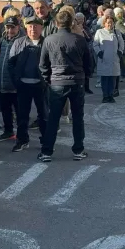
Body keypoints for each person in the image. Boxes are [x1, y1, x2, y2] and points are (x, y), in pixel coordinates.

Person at [39, 10, 92, 163]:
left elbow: (43, 65)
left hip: (57, 82)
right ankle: (78, 149)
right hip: (76, 82)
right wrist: (84, 76)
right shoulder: (79, 40)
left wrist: (48, 79)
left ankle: (47, 151)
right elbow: (89, 63)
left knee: (53, 118)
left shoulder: (49, 40)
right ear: (72, 23)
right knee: (77, 117)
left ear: (56, 23)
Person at [8, 16, 48, 152]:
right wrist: (16, 81)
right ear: (26, 28)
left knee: (44, 115)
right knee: (22, 115)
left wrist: (48, 81)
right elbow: (10, 63)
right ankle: (22, 140)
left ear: (41, 28)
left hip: (41, 85)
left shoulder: (47, 43)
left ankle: (46, 141)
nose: (33, 29)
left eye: (36, 26)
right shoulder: (19, 42)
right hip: (23, 85)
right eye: (30, 26)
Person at [0, 16, 22, 142]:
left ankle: (22, 134)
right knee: (5, 110)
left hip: (16, 85)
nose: (10, 30)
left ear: (18, 27)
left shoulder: (22, 41)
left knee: (20, 111)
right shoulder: (2, 40)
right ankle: (8, 131)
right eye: (8, 27)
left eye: (13, 27)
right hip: (2, 83)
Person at [94, 15, 125, 103]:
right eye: (108, 23)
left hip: (114, 59)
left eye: (111, 22)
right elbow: (95, 44)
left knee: (112, 79)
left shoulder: (116, 32)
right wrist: (99, 52)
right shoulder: (99, 32)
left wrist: (120, 51)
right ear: (104, 23)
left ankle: (111, 95)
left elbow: (122, 43)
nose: (110, 24)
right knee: (105, 79)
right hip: (104, 59)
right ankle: (105, 95)